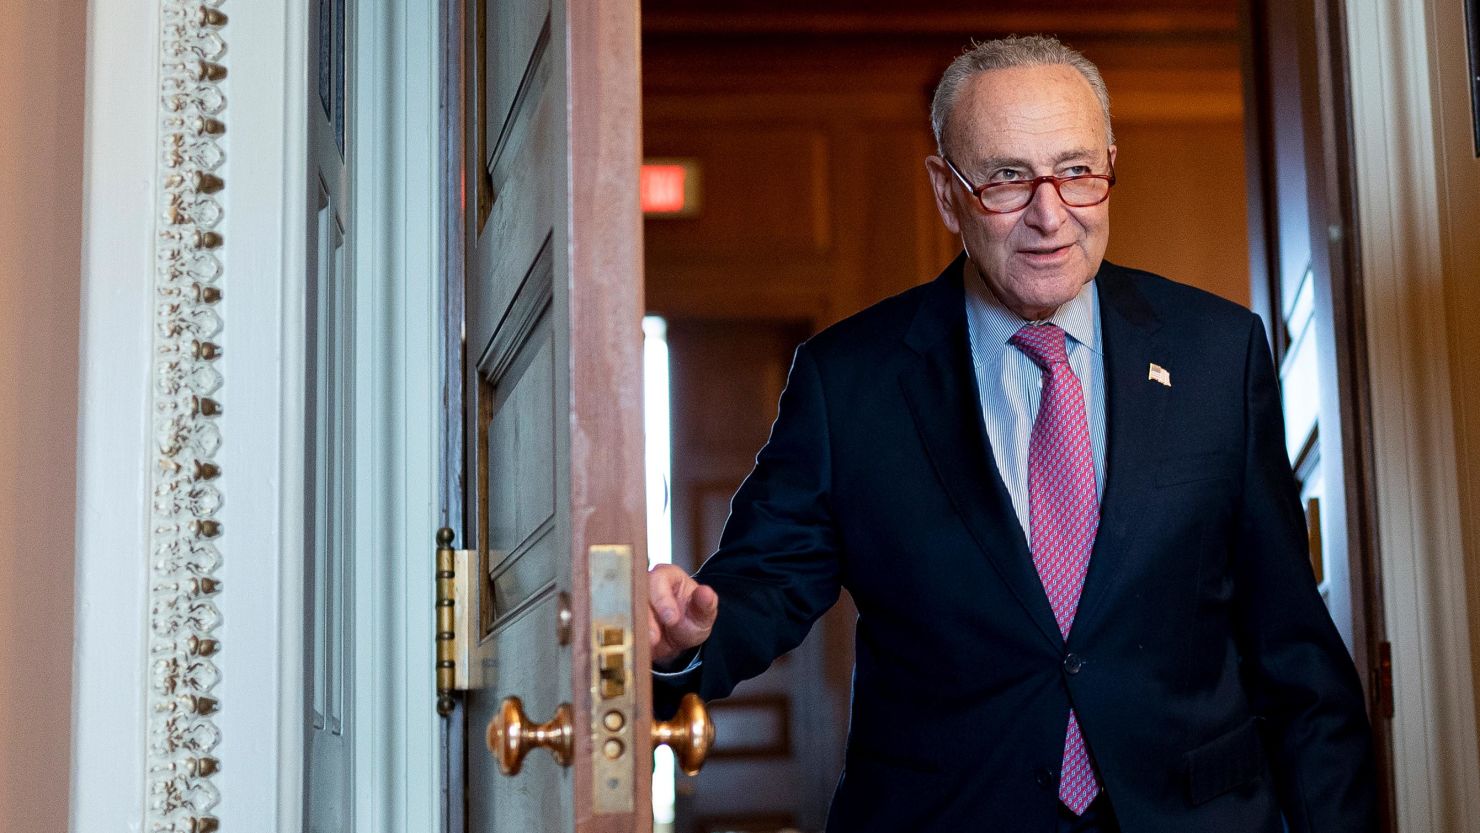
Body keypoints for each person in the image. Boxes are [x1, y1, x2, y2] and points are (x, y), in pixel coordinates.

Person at [647, 35, 1375, 833]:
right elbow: (762, 585)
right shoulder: (848, 380)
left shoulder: (1217, 352)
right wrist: (682, 640)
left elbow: (1294, 648)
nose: (1049, 214)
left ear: (1109, 166)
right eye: (1006, 178)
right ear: (946, 192)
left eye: (1076, 171)